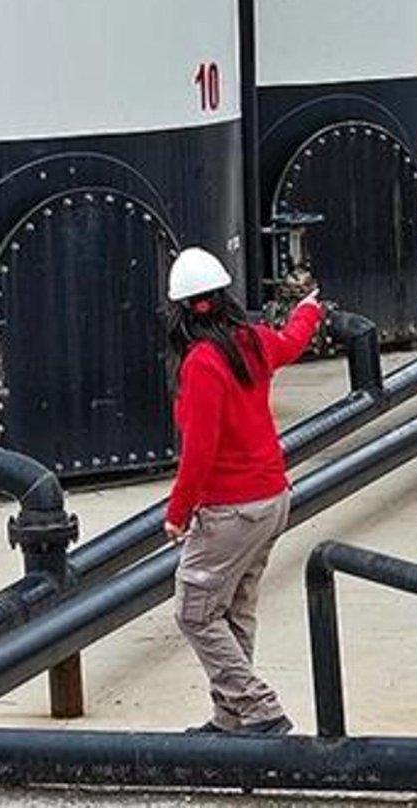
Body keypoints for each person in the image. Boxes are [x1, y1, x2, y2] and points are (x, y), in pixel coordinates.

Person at [163, 247, 323, 736]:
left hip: (231, 509)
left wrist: (178, 512)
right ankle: (231, 718)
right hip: (272, 499)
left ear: (179, 311)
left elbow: (200, 449)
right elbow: (292, 341)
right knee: (234, 608)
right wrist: (308, 310)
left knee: (195, 611)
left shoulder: (202, 363)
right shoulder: (251, 341)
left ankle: (260, 708)